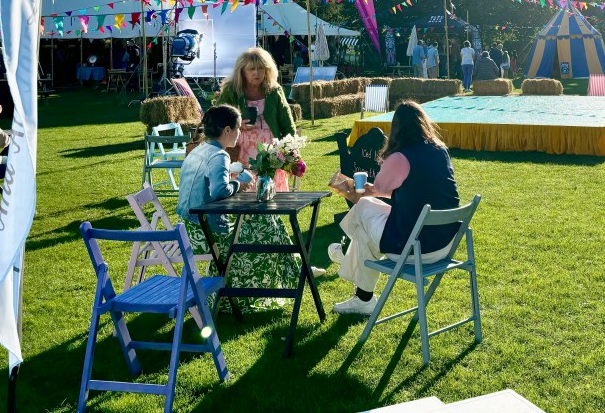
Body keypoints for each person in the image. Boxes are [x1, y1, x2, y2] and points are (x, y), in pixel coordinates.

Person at [327, 101, 461, 315]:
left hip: (415, 247)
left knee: (362, 207)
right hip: (445, 243)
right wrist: (375, 191)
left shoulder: (400, 157)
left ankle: (347, 254)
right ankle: (363, 298)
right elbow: (417, 188)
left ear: (396, 128)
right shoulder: (440, 151)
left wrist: (368, 190)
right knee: (366, 222)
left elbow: (380, 187)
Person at [176, 104, 302, 310]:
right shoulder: (219, 155)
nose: (240, 133)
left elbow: (209, 188)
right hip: (205, 233)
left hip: (188, 227)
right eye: (238, 128)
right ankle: (289, 277)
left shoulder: (199, 149)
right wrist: (239, 184)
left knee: (265, 222)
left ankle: (294, 270)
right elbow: (219, 191)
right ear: (227, 130)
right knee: (267, 228)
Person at [216, 47, 298, 192]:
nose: (257, 73)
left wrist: (291, 150)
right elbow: (217, 119)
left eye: (261, 68)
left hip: (270, 151)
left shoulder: (274, 90)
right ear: (242, 71)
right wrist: (237, 125)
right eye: (252, 69)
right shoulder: (232, 90)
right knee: (242, 190)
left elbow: (287, 124)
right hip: (239, 151)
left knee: (270, 191)